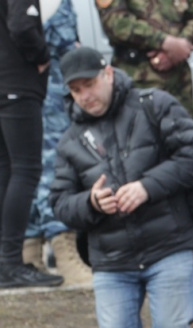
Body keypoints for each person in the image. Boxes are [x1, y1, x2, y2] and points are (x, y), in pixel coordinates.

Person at [50, 47, 193, 328]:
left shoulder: (154, 104)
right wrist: (90, 202)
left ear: (108, 73)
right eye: (75, 90)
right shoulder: (70, 140)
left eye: (89, 84)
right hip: (112, 259)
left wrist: (146, 187)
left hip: (167, 244)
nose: (85, 94)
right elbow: (58, 202)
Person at [22, 0, 92, 286]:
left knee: (31, 171)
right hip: (43, 95)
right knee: (46, 170)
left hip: (53, 93)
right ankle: (61, 251)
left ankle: (30, 253)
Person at [0, 0, 64, 289]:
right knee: (26, 171)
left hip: (4, 84)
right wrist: (42, 55)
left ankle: (5, 262)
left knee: (6, 170)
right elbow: (22, 25)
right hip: (17, 85)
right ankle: (11, 262)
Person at [96, 0, 193, 118]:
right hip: (137, 80)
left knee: (184, 133)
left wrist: (179, 47)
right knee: (139, 132)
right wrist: (164, 42)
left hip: (179, 81)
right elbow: (116, 23)